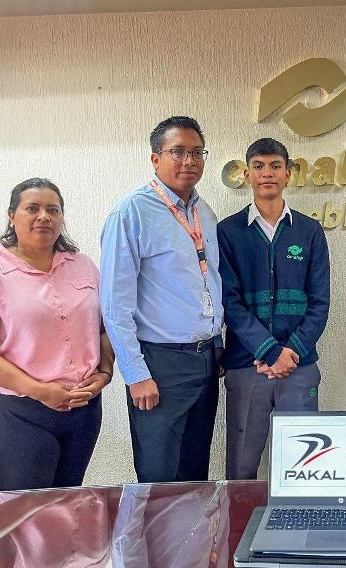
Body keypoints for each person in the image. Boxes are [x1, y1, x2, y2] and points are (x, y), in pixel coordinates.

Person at [0, 178, 113, 491]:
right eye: (32, 208)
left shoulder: (83, 266)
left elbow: (104, 327)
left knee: (67, 502)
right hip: (21, 412)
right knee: (28, 510)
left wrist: (105, 373)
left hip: (83, 411)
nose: (44, 216)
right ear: (11, 216)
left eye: (53, 210)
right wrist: (39, 390)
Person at [100, 116, 223, 484]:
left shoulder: (205, 213)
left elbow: (210, 282)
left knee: (195, 473)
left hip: (206, 359)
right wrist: (136, 374)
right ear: (156, 158)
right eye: (178, 152)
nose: (189, 161)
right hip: (160, 364)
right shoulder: (131, 213)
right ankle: (155, 530)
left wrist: (217, 344)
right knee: (159, 478)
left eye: (197, 153)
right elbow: (114, 304)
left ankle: (193, 528)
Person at [218, 137, 330, 480]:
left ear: (288, 174)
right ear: (247, 175)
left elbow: (320, 302)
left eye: (275, 166)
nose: (267, 173)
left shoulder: (309, 231)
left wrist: (288, 352)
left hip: (299, 364)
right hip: (246, 364)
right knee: (241, 467)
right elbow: (229, 301)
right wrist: (269, 351)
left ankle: (296, 519)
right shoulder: (228, 231)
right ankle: (238, 518)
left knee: (302, 467)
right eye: (258, 166)